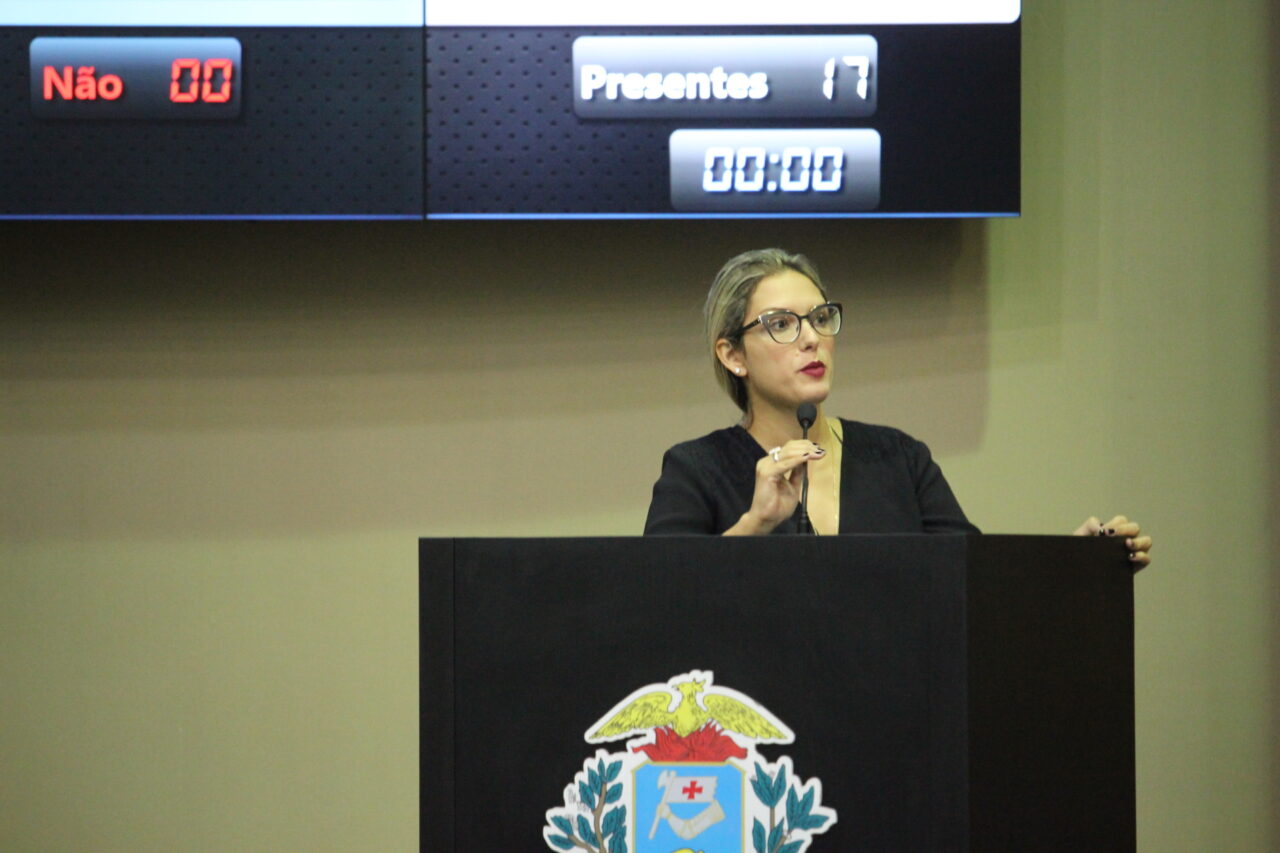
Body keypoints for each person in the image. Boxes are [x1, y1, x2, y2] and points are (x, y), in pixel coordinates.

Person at [643, 248, 1152, 568]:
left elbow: (974, 580)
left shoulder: (897, 458)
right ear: (732, 355)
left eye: (820, 318)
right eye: (781, 324)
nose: (812, 339)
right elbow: (656, 599)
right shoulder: (696, 469)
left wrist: (1075, 561)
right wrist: (755, 524)